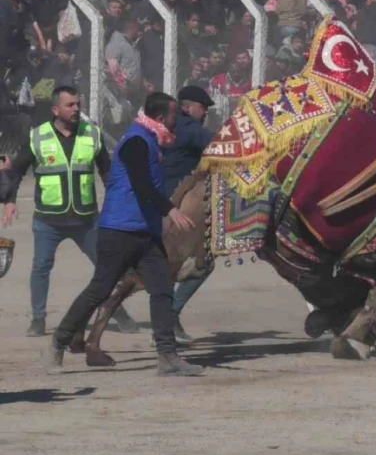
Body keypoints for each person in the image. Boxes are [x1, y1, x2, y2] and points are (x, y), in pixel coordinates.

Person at [45, 93, 203, 377]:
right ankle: (59, 340)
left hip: (146, 234)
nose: (176, 122)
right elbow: (142, 185)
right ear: (159, 118)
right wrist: (172, 211)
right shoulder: (135, 142)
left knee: (162, 289)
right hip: (118, 231)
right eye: (172, 116)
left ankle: (167, 356)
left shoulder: (153, 140)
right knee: (99, 290)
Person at [2, 86, 139, 337]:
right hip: (48, 220)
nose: (76, 109)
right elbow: (18, 170)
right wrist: (10, 200)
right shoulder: (37, 137)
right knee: (41, 267)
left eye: (78, 104)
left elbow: (106, 172)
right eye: (70, 105)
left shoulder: (92, 134)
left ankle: (116, 313)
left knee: (106, 268)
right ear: (55, 109)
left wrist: (118, 199)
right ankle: (38, 319)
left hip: (86, 219)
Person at [162, 85, 216, 341]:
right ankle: (169, 317)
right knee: (202, 263)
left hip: (155, 202)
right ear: (189, 107)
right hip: (177, 208)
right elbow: (220, 148)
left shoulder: (166, 124)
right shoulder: (191, 128)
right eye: (203, 108)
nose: (205, 113)